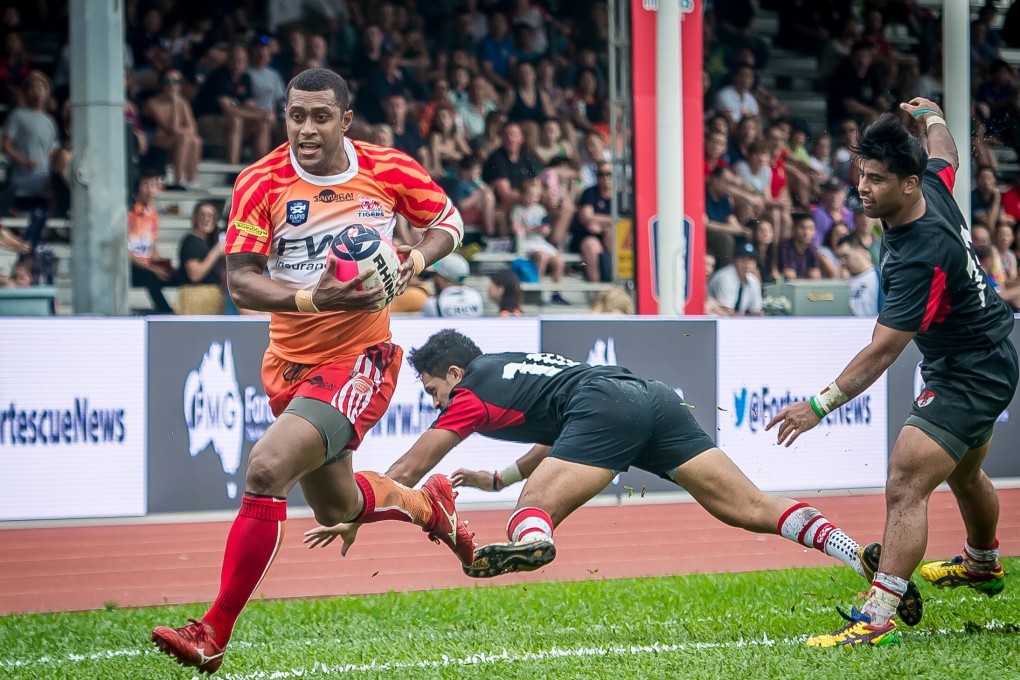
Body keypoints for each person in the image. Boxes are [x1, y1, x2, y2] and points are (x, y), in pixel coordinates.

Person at [151, 68, 473, 675]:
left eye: (320, 117)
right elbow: (240, 279)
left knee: (266, 467)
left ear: (345, 120)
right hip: (288, 362)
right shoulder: (260, 180)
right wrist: (313, 300)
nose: (306, 128)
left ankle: (213, 631)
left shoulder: (388, 168)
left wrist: (413, 258)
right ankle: (432, 506)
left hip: (361, 360)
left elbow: (449, 223)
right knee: (336, 508)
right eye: (296, 116)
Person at [304, 329, 921, 627]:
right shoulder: (513, 366)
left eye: (433, 389)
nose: (437, 403)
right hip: (649, 396)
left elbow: (410, 468)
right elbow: (565, 435)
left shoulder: (469, 392)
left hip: (603, 406)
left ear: (454, 371)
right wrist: (493, 478)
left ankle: (533, 536)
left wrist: (357, 510)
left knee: (535, 504)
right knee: (749, 507)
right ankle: (853, 553)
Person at [767, 101, 1017, 648]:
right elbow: (947, 152)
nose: (863, 188)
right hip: (984, 355)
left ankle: (877, 616)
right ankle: (982, 563)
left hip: (970, 372)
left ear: (907, 185)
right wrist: (930, 116)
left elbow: (882, 352)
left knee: (906, 479)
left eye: (876, 180)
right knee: (966, 474)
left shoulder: (918, 257)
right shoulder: (933, 182)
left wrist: (817, 406)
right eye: (861, 175)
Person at [142, 68, 202, 188]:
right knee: (185, 137)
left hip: (176, 140)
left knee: (195, 140)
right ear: (162, 84)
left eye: (176, 81)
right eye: (168, 81)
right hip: (158, 143)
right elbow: (171, 128)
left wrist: (178, 102)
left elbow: (192, 127)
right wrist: (175, 103)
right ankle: (178, 179)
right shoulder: (153, 103)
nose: (172, 85)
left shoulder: (183, 102)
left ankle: (192, 179)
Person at [128, 169, 175, 314]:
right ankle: (167, 315)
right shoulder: (128, 213)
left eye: (154, 185)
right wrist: (151, 268)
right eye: (146, 185)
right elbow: (124, 251)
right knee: (151, 278)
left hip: (147, 264)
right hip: (130, 266)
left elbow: (152, 247)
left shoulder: (152, 214)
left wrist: (162, 263)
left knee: (177, 274)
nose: (150, 190)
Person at [176, 201, 226, 314]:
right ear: (195, 218)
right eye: (202, 215)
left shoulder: (211, 241)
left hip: (214, 298)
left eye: (211, 216)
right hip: (195, 299)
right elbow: (195, 275)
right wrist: (216, 252)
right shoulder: (190, 241)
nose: (207, 219)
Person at [707, 240, 763, 316]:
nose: (747, 264)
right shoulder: (725, 277)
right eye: (743, 259)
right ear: (735, 260)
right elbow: (727, 313)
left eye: (750, 260)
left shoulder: (752, 280)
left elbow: (756, 312)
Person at [422, 252, 485, 317]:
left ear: (442, 277)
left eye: (433, 275)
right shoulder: (476, 296)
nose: (433, 278)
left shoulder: (432, 304)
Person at [835, 234, 881, 316]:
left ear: (860, 251)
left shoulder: (880, 277)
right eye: (839, 258)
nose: (842, 262)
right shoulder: (844, 284)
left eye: (845, 256)